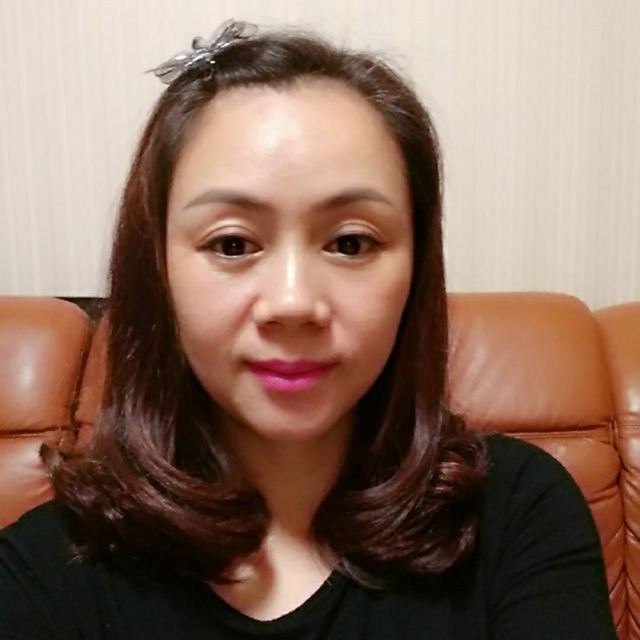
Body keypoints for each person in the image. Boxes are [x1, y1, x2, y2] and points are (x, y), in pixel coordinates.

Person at [0, 20, 615, 639]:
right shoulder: (42, 572)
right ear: (157, 270)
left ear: (416, 270)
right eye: (233, 244)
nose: (293, 303)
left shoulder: (517, 515)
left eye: (350, 243)